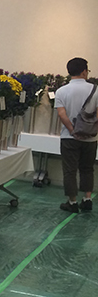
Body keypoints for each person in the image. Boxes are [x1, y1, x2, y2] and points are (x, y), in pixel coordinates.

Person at [54, 57, 98, 213]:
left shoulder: (61, 91)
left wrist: (73, 130)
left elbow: (62, 114)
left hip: (69, 137)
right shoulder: (96, 90)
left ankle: (72, 202)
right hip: (91, 138)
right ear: (84, 71)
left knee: (70, 170)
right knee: (87, 169)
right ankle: (87, 199)